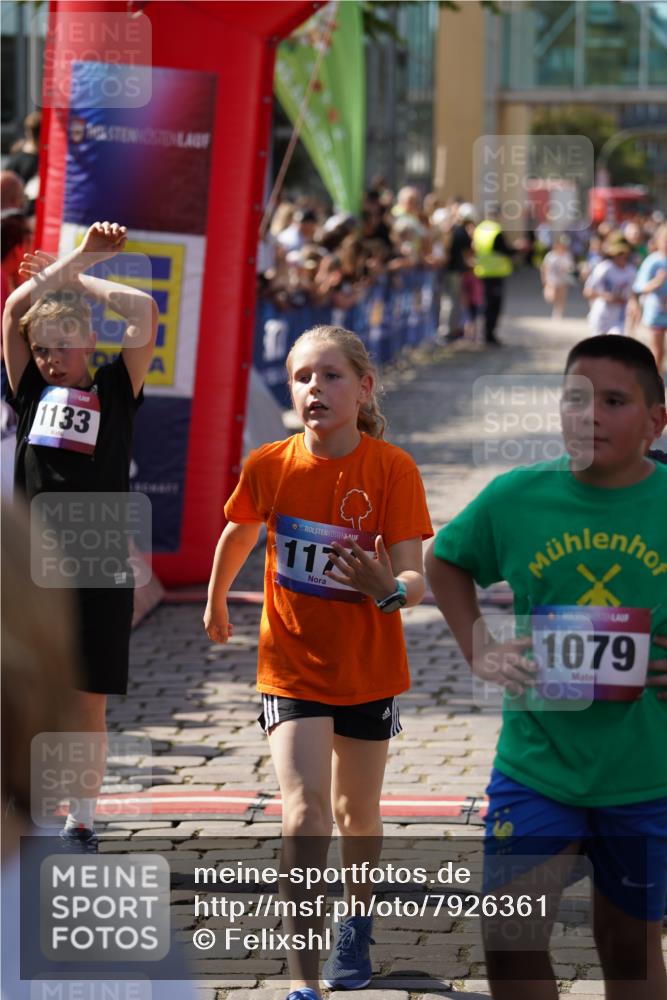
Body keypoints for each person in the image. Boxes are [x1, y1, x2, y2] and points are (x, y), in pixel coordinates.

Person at [425, 335, 667, 1000]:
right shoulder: (516, 498)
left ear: (655, 421)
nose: (587, 415)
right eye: (573, 398)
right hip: (537, 764)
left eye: (612, 401)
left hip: (645, 774)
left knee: (628, 950)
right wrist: (477, 645)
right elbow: (444, 561)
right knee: (508, 941)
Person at [204, 324, 432, 1000]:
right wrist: (216, 601)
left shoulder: (391, 469)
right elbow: (239, 530)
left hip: (367, 669)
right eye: (303, 376)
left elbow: (415, 573)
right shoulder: (269, 464)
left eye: (330, 376)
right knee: (304, 813)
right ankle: (303, 983)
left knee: (356, 813)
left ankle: (355, 922)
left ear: (363, 389)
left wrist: (388, 589)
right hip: (291, 667)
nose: (314, 389)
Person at [2, 222, 158, 853]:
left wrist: (86, 275)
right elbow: (13, 309)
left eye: (64, 344)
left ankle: (82, 820)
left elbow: (145, 312)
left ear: (89, 342)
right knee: (20, 686)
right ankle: (24, 809)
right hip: (31, 562)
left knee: (88, 700)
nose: (50, 357)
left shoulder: (116, 389)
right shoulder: (29, 388)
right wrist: (75, 256)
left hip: (97, 556)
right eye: (41, 348)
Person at [473, 205, 517, 347]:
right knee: (493, 306)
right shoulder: (496, 230)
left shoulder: (479, 229)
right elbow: (503, 249)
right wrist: (518, 249)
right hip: (495, 273)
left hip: (482, 271)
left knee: (485, 304)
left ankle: (484, 333)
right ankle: (489, 335)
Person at [584, 234, 638, 337]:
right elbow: (587, 291)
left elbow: (632, 294)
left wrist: (634, 306)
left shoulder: (631, 271)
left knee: (616, 347)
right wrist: (606, 296)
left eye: (623, 252)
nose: (620, 255)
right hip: (601, 315)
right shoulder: (604, 268)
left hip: (619, 317)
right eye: (618, 253)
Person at [633, 222, 667, 372]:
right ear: (658, 241)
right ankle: (656, 378)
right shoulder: (653, 261)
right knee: (658, 350)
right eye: (665, 240)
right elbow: (640, 287)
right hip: (657, 313)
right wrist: (656, 283)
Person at [540, 236, 575, 319]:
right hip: (552, 278)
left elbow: (571, 267)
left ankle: (558, 312)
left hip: (563, 279)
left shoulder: (567, 255)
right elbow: (544, 267)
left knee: (561, 296)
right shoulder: (550, 256)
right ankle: (555, 306)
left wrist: (569, 272)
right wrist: (544, 278)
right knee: (551, 297)